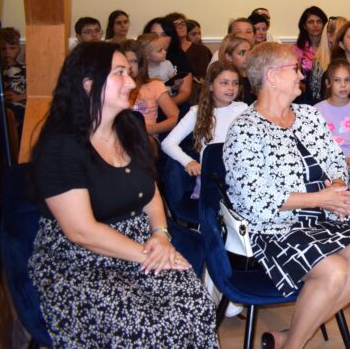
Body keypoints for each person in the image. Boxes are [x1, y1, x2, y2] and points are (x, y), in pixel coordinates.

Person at [29, 42, 217, 347]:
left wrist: (160, 235)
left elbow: (150, 192)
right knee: (145, 326)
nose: (131, 83)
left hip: (141, 243)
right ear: (89, 84)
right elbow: (81, 231)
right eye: (119, 73)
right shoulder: (61, 147)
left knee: (196, 304)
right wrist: (151, 254)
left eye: (129, 73)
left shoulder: (129, 127)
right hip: (81, 259)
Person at [224, 42, 350, 348]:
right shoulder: (245, 129)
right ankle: (295, 343)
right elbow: (257, 200)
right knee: (334, 271)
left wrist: (337, 186)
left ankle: (289, 338)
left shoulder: (309, 115)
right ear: (271, 77)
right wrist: (323, 199)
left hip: (316, 220)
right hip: (271, 228)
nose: (301, 74)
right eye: (294, 68)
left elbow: (335, 160)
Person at [161, 61, 247, 179]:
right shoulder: (196, 112)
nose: (231, 88)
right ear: (211, 85)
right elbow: (168, 143)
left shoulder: (243, 109)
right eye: (224, 83)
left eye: (235, 83)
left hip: (241, 174)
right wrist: (188, 161)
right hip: (213, 178)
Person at [315, 59, 350, 201]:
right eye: (337, 80)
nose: (343, 85)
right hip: (327, 162)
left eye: (347, 80)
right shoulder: (316, 111)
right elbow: (314, 146)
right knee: (329, 191)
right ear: (328, 83)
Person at [125, 35, 180, 139]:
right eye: (125, 61)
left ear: (141, 63)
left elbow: (175, 117)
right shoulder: (112, 88)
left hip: (147, 137)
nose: (129, 66)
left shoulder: (155, 85)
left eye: (134, 61)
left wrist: (152, 129)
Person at [293, 6, 328, 77]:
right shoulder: (297, 48)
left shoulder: (330, 46)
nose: (315, 25)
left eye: (319, 21)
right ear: (304, 26)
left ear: (324, 25)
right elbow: (295, 75)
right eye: (311, 22)